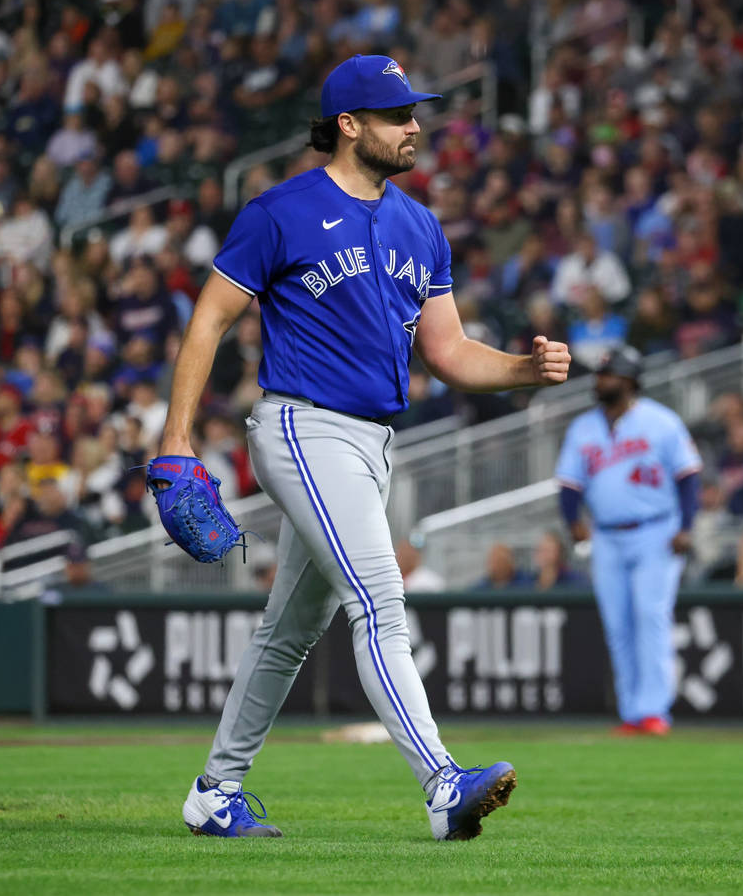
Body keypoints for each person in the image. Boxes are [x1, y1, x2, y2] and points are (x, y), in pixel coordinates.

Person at [155, 55, 571, 842]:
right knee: (380, 601)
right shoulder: (280, 211)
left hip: (373, 443)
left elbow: (447, 352)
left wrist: (524, 369)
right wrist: (176, 437)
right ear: (349, 125)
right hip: (303, 426)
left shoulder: (421, 225)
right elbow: (208, 319)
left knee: (288, 631)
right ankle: (443, 784)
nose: (414, 126)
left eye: (414, 112)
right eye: (396, 114)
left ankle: (215, 790)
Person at [556, 347, 701, 736]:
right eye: (600, 374)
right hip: (606, 535)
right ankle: (632, 712)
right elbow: (569, 484)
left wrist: (686, 526)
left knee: (650, 616)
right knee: (618, 624)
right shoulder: (583, 428)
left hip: (657, 531)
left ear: (631, 381)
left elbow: (688, 476)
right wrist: (572, 521)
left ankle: (654, 711)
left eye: (609, 375)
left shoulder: (661, 421)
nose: (600, 381)